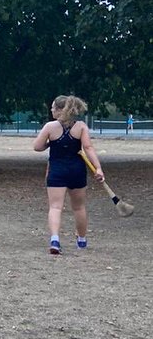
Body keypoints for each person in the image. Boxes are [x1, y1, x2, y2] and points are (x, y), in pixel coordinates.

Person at [33, 95, 104, 254]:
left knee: (55, 207)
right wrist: (98, 168)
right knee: (79, 207)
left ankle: (55, 240)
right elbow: (88, 148)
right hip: (77, 171)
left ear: (59, 110)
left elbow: (37, 147)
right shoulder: (81, 127)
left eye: (53, 107)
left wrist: (50, 143)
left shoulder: (50, 127)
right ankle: (82, 240)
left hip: (57, 171)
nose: (51, 110)